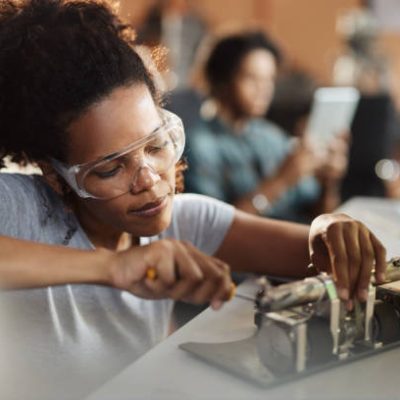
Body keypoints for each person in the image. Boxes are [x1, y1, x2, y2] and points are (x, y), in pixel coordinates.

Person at [0, 1, 386, 399]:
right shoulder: (28, 212)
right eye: (110, 169)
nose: (149, 182)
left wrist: (327, 227)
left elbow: (316, 254)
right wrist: (112, 267)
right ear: (56, 176)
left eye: (155, 145)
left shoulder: (185, 222)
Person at [184, 31, 349, 223]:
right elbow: (210, 228)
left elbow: (318, 216)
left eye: (269, 79)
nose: (264, 89)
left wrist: (328, 182)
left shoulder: (270, 136)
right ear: (222, 81)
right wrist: (282, 181)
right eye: (252, 78)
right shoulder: (200, 145)